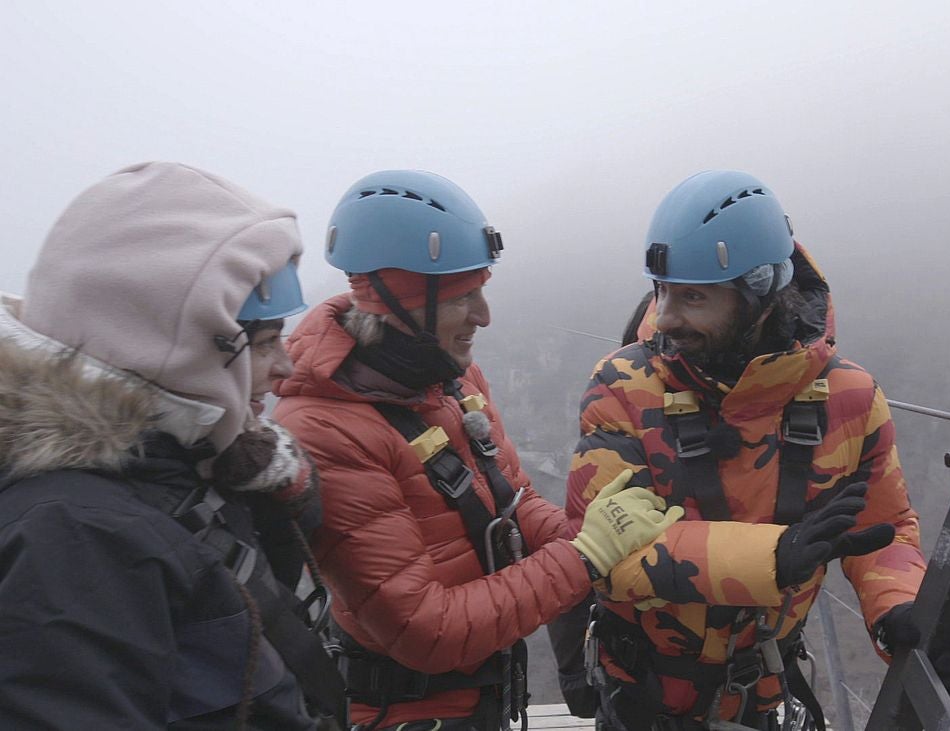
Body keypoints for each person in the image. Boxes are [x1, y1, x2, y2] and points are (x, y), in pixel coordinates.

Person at [273, 169, 681, 731]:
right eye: (466, 297)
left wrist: (604, 538)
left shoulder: (452, 383)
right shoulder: (326, 428)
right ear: (401, 302)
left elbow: (513, 502)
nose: (484, 316)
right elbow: (427, 631)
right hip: (404, 715)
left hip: (484, 703)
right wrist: (586, 555)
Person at [566, 170, 950, 731]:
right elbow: (606, 552)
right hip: (644, 695)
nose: (666, 317)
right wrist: (775, 557)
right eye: (661, 291)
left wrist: (899, 609)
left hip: (767, 688)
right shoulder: (623, 385)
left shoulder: (850, 398)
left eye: (692, 297)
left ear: (759, 291)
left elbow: (882, 528)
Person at [0, 161, 344, 729]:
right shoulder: (75, 540)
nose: (286, 367)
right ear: (170, 349)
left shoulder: (179, 476)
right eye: (262, 343)